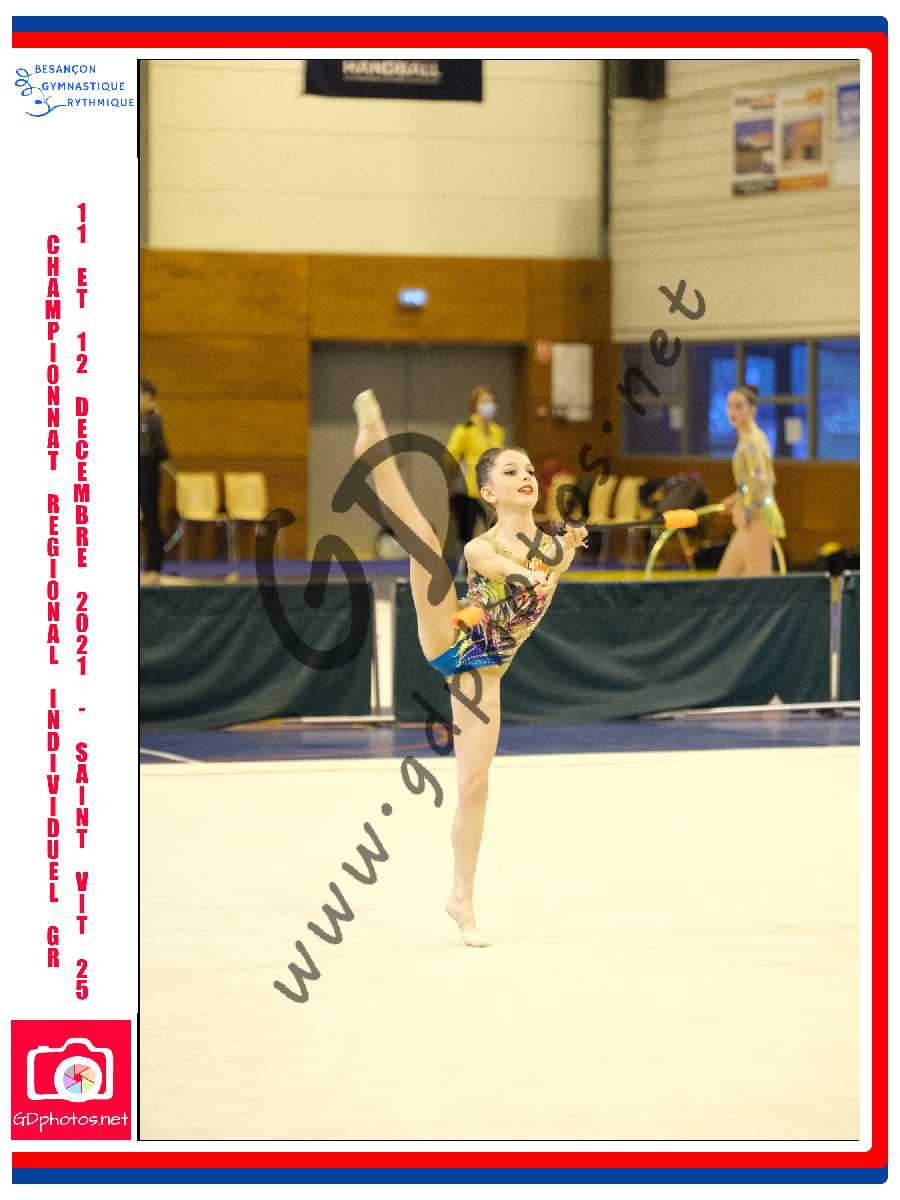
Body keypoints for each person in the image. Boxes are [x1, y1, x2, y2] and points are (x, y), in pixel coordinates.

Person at [353, 389, 586, 948]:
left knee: (475, 786)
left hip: (486, 672)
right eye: (510, 471)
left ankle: (461, 897)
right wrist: (528, 573)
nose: (525, 477)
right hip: (453, 636)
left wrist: (565, 553)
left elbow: (541, 593)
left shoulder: (553, 547)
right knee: (425, 543)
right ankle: (375, 454)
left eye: (528, 470)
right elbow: (484, 562)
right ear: (488, 492)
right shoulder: (485, 543)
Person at [717, 384, 786, 577]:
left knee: (758, 582)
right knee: (725, 579)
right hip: (750, 515)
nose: (733, 411)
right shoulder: (747, 438)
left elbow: (763, 482)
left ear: (753, 409)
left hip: (758, 517)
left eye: (739, 406)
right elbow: (750, 482)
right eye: (730, 406)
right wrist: (735, 499)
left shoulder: (753, 441)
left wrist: (742, 505)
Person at [444, 385, 505, 553]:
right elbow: (449, 456)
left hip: (493, 490)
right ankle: (464, 564)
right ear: (474, 405)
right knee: (466, 532)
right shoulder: (465, 429)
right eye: (484, 401)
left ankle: (496, 562)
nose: (488, 405)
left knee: (496, 529)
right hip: (469, 489)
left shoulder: (497, 431)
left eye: (491, 402)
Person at [139, 379, 170, 580]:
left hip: (148, 472)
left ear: (148, 397)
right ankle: (151, 564)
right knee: (148, 519)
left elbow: (161, 451)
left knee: (151, 519)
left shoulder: (152, 420)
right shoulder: (144, 421)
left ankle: (155, 565)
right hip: (143, 471)